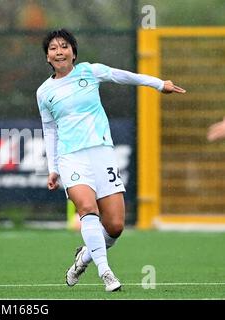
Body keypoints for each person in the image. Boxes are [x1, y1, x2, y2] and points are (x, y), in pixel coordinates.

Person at [36, 29, 186, 292]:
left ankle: (83, 258)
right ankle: (106, 272)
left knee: (115, 226)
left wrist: (159, 84)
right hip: (71, 157)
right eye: (53, 48)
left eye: (64, 47)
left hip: (102, 153)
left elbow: (124, 76)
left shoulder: (90, 72)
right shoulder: (44, 92)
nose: (59, 52)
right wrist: (53, 168)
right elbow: (49, 130)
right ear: (47, 57)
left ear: (73, 52)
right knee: (87, 209)